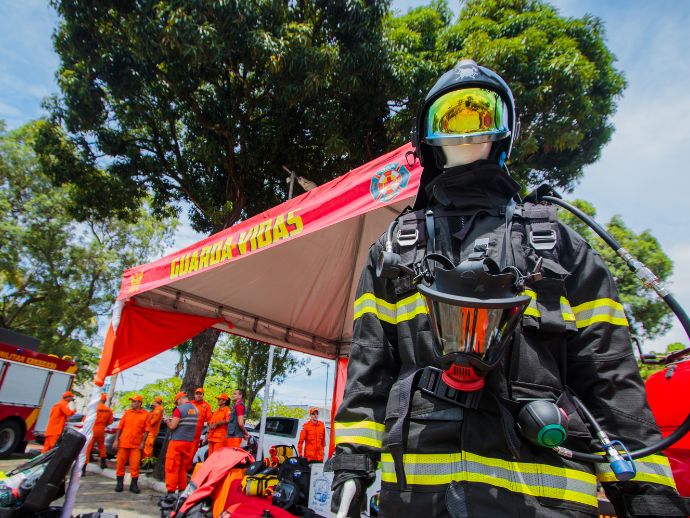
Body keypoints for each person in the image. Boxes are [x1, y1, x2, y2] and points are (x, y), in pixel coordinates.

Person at [330, 60, 688, 517]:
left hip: (544, 503)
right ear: (428, 137)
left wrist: (648, 495)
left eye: (481, 114)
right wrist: (351, 469)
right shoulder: (394, 249)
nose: (465, 131)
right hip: (420, 500)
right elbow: (368, 372)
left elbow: (610, 377)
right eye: (450, 118)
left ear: (504, 131)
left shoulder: (557, 244)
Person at [164, 391, 198, 497]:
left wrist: (167, 421)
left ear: (179, 399)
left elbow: (173, 426)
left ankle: (171, 492)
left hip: (177, 442)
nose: (176, 404)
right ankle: (182, 489)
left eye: (176, 402)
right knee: (183, 468)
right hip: (188, 442)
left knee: (172, 466)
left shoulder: (179, 409)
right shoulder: (195, 410)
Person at [113, 394, 149, 493]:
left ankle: (133, 485)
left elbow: (147, 430)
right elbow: (119, 427)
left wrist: (143, 443)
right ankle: (119, 483)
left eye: (134, 401)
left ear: (139, 403)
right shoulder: (127, 413)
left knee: (135, 465)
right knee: (120, 464)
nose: (132, 403)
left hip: (136, 445)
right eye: (132, 401)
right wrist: (116, 440)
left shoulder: (145, 414)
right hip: (123, 443)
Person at [84, 392, 113, 471]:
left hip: (93, 429)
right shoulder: (108, 410)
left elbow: (86, 420)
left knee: (88, 448)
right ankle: (103, 463)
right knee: (101, 446)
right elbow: (110, 422)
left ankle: (83, 468)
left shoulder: (94, 408)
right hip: (101, 429)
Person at [191, 387, 213, 461]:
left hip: (196, 434)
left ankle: (187, 468)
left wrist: (208, 433)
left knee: (192, 452)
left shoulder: (206, 406)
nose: (198, 395)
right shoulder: (190, 404)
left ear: (203, 395)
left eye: (200, 394)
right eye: (197, 394)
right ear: (194, 395)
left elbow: (210, 421)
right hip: (186, 433)